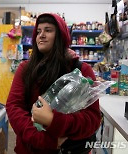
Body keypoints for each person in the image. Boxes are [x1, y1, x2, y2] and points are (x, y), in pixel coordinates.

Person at [6, 13, 101, 154]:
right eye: (38, 31)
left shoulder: (81, 70)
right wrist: (43, 140)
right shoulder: (25, 69)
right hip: (30, 148)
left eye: (48, 30)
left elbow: (92, 119)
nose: (41, 35)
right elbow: (14, 107)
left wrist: (54, 120)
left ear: (60, 36)